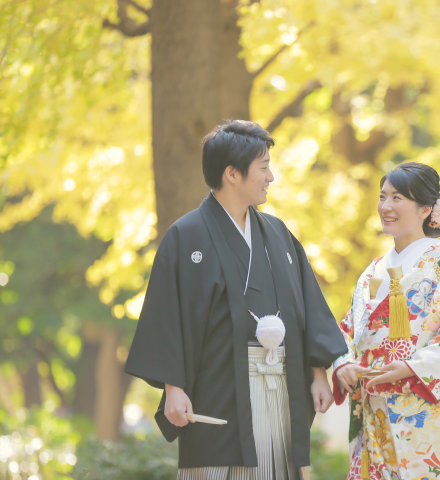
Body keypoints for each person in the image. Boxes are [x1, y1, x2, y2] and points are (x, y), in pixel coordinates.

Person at [125, 121, 348, 479]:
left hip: (281, 383)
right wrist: (173, 387)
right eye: (263, 168)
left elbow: (305, 305)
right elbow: (166, 317)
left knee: (278, 468)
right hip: (217, 387)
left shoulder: (277, 233)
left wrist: (317, 372)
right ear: (232, 174)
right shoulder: (186, 236)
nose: (270, 177)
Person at [332, 162, 440, 480]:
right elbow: (348, 329)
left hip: (426, 409)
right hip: (375, 407)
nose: (385, 207)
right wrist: (342, 362)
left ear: (426, 209)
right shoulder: (374, 270)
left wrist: (412, 368)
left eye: (397, 198)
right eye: (383, 196)